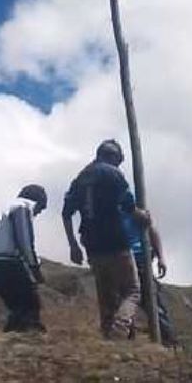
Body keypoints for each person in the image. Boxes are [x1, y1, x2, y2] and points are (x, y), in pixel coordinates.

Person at [63, 140, 141, 339]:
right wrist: (141, 215)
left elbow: (66, 213)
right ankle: (120, 327)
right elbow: (129, 206)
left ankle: (109, 336)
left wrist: (73, 245)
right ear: (113, 157)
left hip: (91, 243)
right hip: (116, 240)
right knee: (132, 291)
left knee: (106, 295)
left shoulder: (80, 178)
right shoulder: (113, 174)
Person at [0, 183, 49, 332]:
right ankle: (26, 342)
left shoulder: (7, 209)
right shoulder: (23, 207)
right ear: (37, 201)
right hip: (8, 265)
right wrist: (35, 268)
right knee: (31, 305)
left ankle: (11, 338)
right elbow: (24, 241)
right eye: (41, 209)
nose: (38, 213)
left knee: (17, 308)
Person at [127, 206, 177, 346]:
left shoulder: (132, 205)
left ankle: (168, 342)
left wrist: (161, 257)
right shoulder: (107, 206)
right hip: (121, 259)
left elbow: (151, 229)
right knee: (125, 303)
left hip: (140, 260)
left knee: (152, 301)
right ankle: (128, 340)